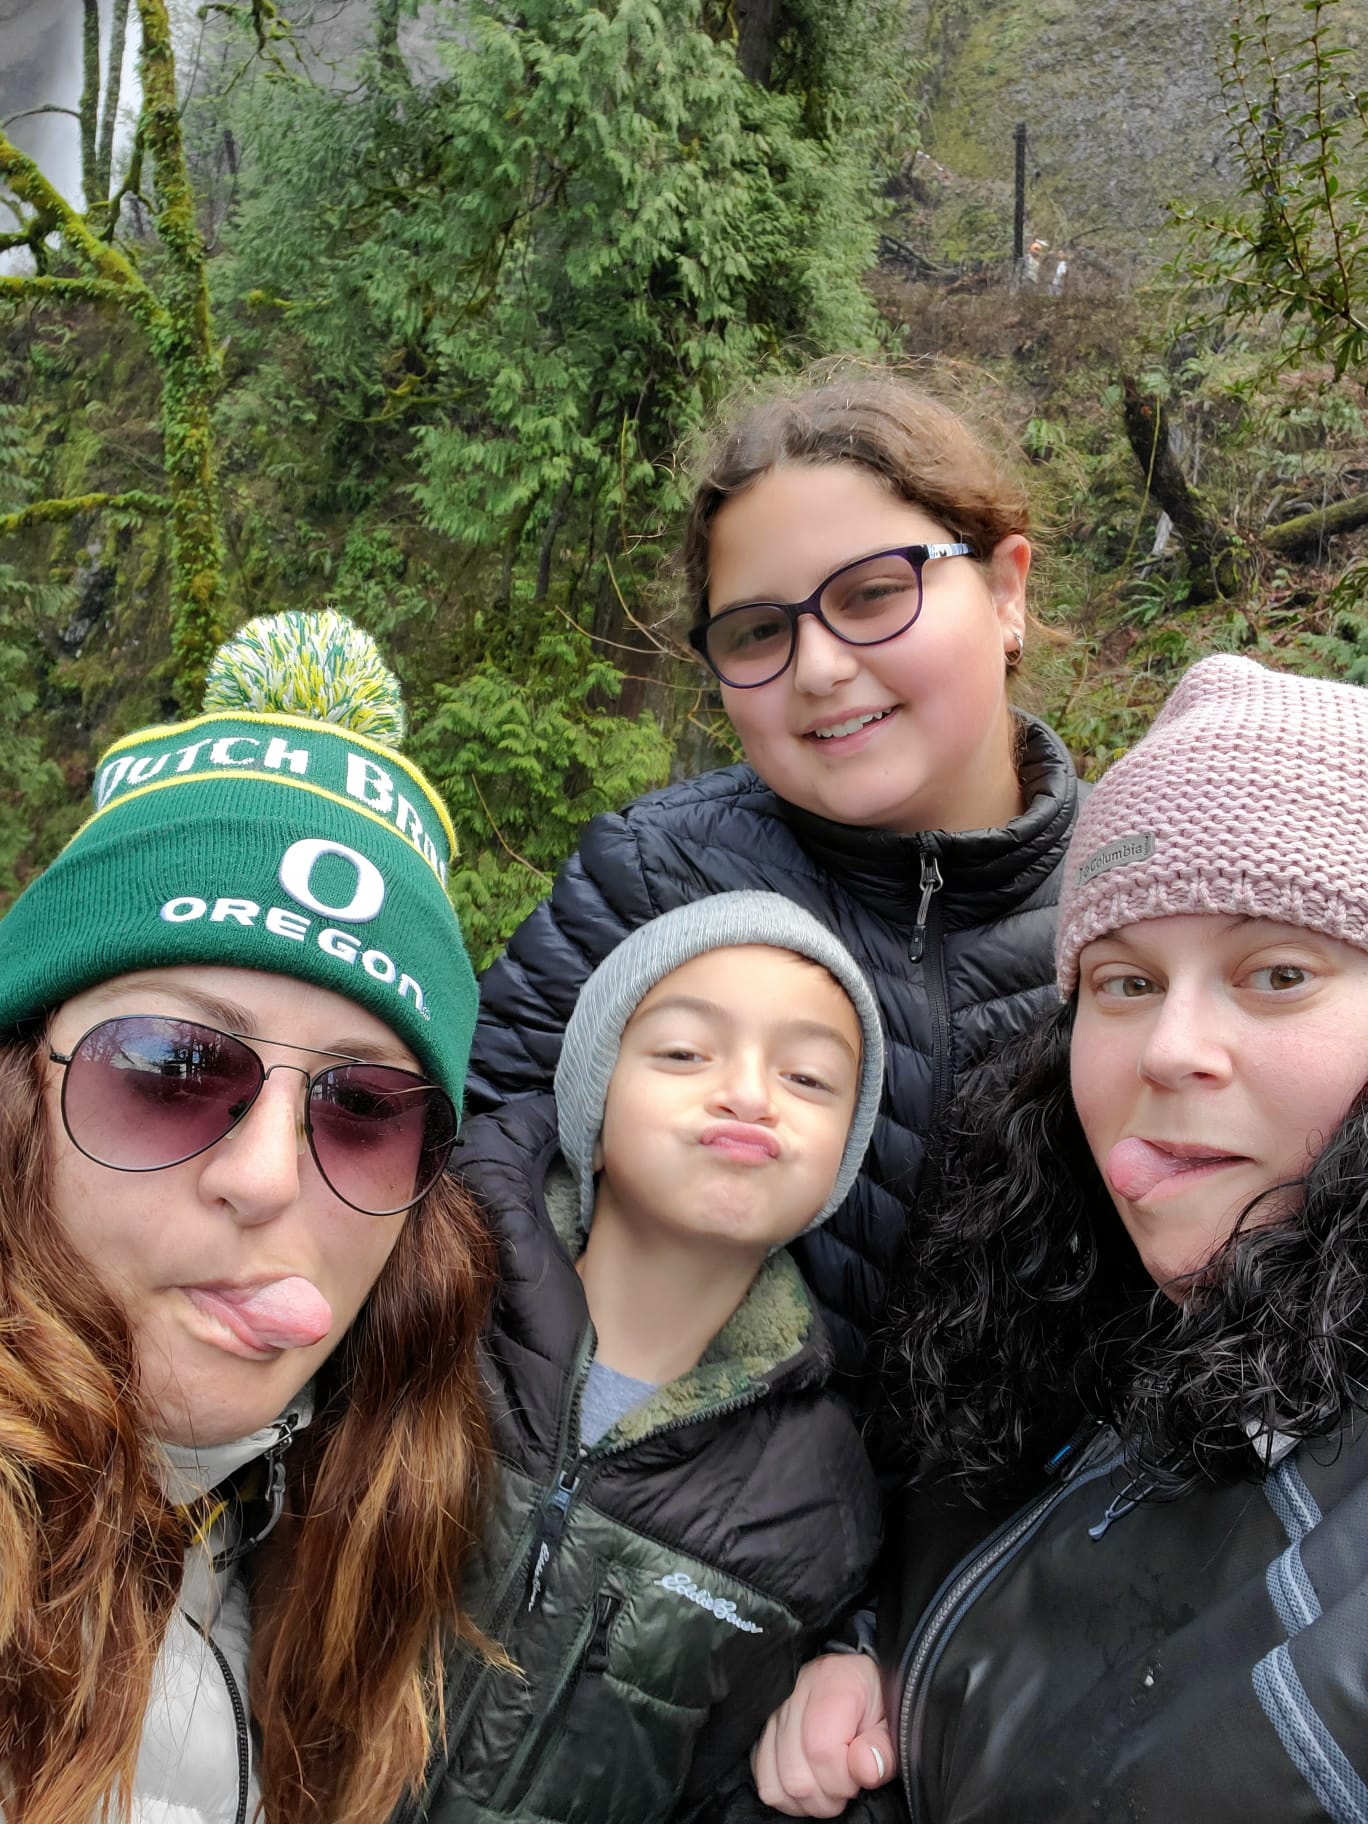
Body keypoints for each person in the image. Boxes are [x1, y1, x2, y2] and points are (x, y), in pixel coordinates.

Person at [752, 653, 1368, 1821]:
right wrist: (877, 1662)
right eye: (1126, 984)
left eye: (1279, 973)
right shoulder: (1063, 1307)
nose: (1168, 1050)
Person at [468, 366, 1081, 1382]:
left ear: (1006, 589)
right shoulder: (653, 876)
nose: (820, 667)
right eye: (759, 629)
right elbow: (465, 1170)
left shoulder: (1140, 908)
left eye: (874, 593)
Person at [0, 608, 495, 1824]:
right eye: (172, 1067)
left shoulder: (335, 1534)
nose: (266, 1177)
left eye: (364, 1109)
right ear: (20, 1094)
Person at [412, 894, 883, 1824]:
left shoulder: (817, 1494)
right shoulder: (422, 1302)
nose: (750, 1093)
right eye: (684, 1053)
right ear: (594, 1102)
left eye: (808, 1077)